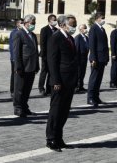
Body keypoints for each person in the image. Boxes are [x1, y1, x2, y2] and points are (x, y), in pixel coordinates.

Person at [45, 14, 79, 152]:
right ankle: (51, 139)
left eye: (75, 24)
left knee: (64, 111)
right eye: (72, 24)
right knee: (56, 110)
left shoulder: (70, 38)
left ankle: (59, 137)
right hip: (60, 81)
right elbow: (52, 61)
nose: (74, 27)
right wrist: (55, 81)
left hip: (69, 80)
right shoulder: (56, 38)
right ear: (63, 25)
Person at [12, 14, 39, 117]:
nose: (34, 25)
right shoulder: (19, 34)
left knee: (27, 89)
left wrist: (37, 65)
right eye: (32, 23)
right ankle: (18, 108)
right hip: (22, 66)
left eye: (34, 23)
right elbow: (17, 52)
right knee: (19, 89)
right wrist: (18, 67)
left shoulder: (33, 35)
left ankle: (24, 106)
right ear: (27, 23)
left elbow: (35, 51)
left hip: (31, 67)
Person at [87, 13, 109, 107]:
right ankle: (90, 97)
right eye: (102, 18)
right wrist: (93, 58)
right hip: (96, 58)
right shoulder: (93, 28)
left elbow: (105, 44)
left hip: (102, 58)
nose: (104, 19)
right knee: (94, 79)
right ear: (97, 19)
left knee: (99, 79)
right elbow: (92, 44)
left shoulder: (102, 29)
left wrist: (106, 57)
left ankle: (96, 97)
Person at [38, 14, 57, 96]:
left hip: (53, 55)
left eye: (55, 20)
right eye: (53, 20)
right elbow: (42, 43)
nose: (55, 21)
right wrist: (44, 55)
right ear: (49, 21)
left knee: (51, 71)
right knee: (44, 71)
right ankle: (41, 88)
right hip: (46, 55)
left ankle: (49, 88)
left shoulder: (56, 30)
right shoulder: (44, 30)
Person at [9, 18, 23, 98]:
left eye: (23, 22)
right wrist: (13, 57)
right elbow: (12, 46)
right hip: (14, 58)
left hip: (22, 58)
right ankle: (12, 90)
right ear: (17, 24)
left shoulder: (24, 32)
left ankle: (19, 90)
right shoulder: (14, 32)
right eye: (21, 23)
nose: (22, 24)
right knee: (14, 74)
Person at [74, 24, 89, 93]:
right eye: (84, 28)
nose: (86, 29)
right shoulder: (78, 37)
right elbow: (76, 49)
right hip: (79, 58)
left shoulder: (86, 37)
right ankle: (76, 86)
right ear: (80, 30)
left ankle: (81, 86)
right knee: (78, 73)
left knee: (83, 73)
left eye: (86, 28)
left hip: (84, 58)